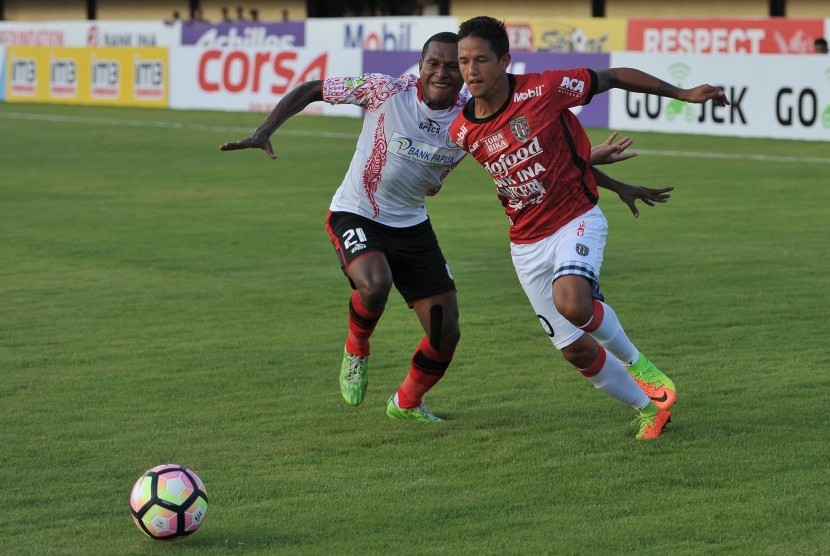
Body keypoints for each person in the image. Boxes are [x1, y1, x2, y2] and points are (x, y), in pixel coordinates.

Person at [220, 32, 671, 423]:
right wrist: (264, 130)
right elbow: (313, 88)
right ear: (419, 68)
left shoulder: (467, 118)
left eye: (451, 65)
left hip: (412, 224)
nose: (442, 72)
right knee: (375, 283)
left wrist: (607, 179)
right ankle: (357, 348)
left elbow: (532, 163)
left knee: (445, 330)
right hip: (357, 212)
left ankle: (406, 403)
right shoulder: (384, 90)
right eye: (432, 63)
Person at [449, 16, 730, 440]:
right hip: (524, 245)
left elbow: (614, 76)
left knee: (574, 304)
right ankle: (650, 408)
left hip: (575, 220)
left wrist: (681, 93)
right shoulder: (462, 130)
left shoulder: (544, 90)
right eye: (464, 61)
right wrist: (615, 181)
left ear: (504, 60)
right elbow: (548, 167)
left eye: (481, 60)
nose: (471, 71)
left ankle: (642, 367)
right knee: (575, 349)